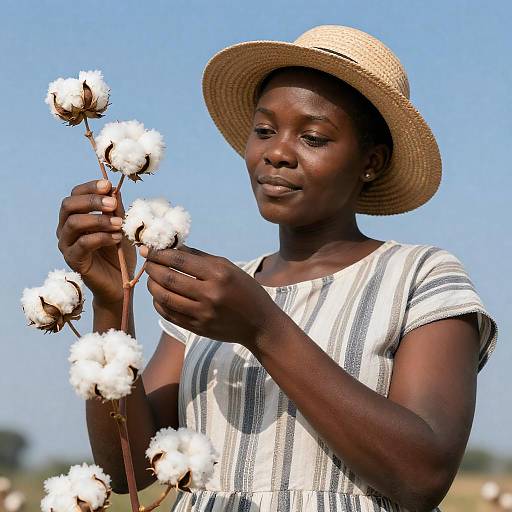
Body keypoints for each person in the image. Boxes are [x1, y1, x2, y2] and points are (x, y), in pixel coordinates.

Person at [56, 25, 498, 512]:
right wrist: (111, 302)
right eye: (264, 130)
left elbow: (422, 476)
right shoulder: (215, 294)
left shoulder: (420, 277)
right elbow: (130, 471)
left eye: (312, 137)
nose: (277, 153)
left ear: (370, 162)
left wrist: (262, 329)